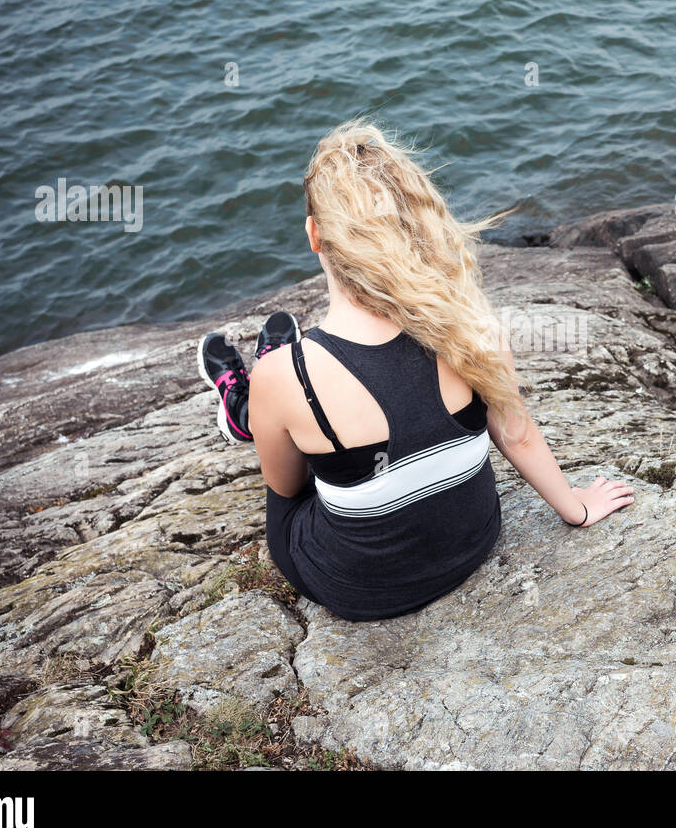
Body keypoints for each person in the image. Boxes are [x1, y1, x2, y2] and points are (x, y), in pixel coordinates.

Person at [196, 120, 633, 621]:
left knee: (290, 457)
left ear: (315, 235)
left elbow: (288, 488)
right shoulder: (473, 326)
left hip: (359, 592)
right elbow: (519, 436)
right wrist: (576, 509)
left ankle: (244, 409)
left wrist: (295, 385)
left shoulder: (291, 375)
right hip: (474, 544)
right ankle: (262, 403)